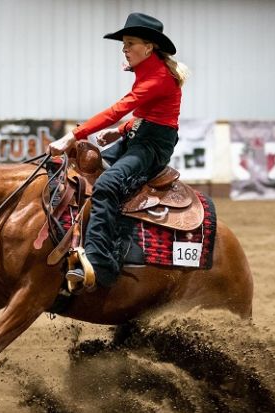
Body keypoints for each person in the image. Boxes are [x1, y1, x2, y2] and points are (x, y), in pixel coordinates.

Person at [49, 12, 188, 291]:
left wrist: (73, 136)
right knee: (82, 168)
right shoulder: (149, 72)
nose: (124, 49)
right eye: (124, 43)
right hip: (138, 139)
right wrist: (121, 131)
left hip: (151, 147)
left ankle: (100, 265)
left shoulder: (159, 77)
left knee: (107, 185)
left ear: (148, 47)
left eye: (130, 43)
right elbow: (148, 114)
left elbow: (120, 109)